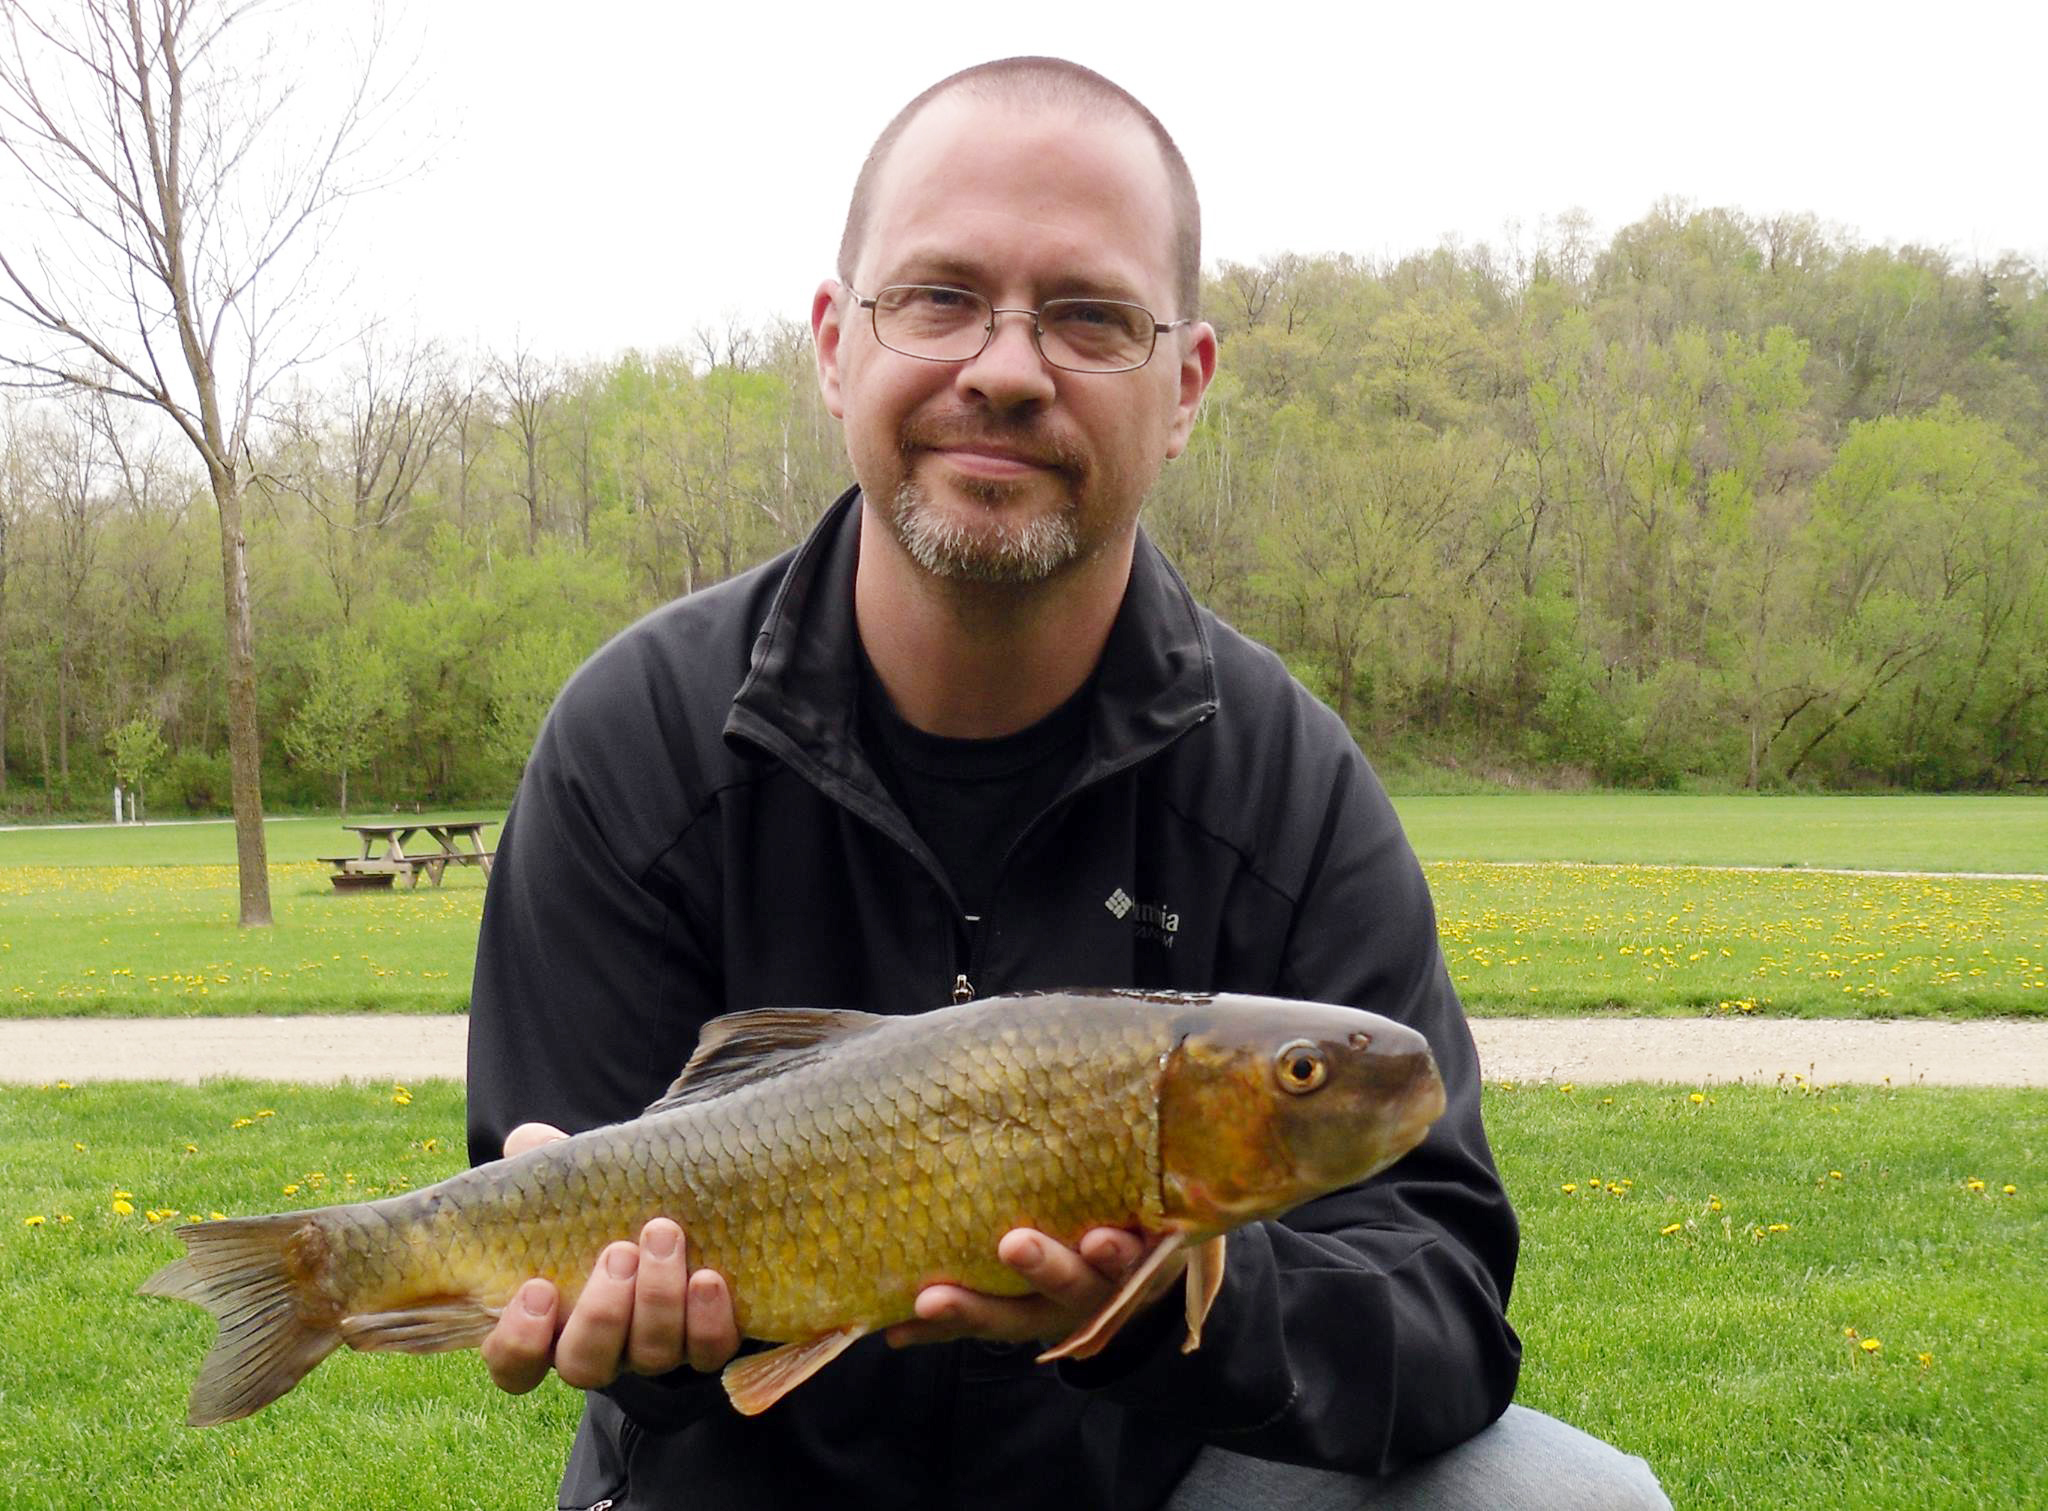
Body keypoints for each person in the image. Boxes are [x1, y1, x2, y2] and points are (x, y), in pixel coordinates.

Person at [466, 56, 1669, 1511]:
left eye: (1090, 317)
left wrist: (1175, 1314)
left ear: (1185, 388)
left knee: (1564, 1497)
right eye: (941, 297)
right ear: (838, 344)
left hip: (1147, 1484)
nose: (1008, 365)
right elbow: (557, 1210)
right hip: (742, 1485)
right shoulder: (636, 740)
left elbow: (1444, 1305)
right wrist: (646, 1339)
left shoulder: (1287, 783)